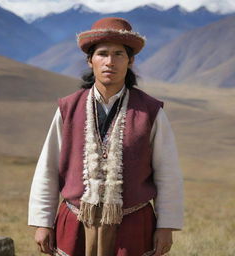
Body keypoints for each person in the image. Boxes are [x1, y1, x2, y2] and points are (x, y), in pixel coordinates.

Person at [28, 17, 184, 256]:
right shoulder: (68, 109)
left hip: (132, 226)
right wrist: (43, 222)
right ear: (90, 60)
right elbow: (48, 169)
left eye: (119, 54)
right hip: (76, 225)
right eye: (102, 53)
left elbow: (168, 173)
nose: (110, 62)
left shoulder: (150, 112)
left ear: (130, 60)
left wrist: (165, 226)